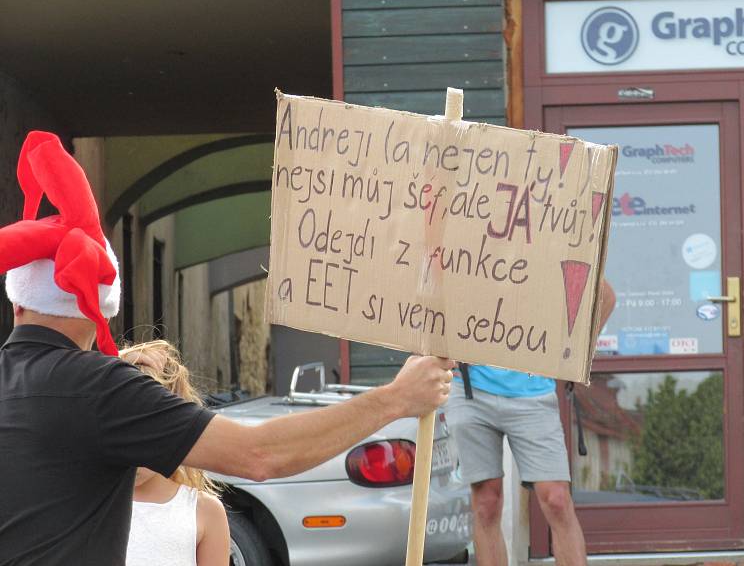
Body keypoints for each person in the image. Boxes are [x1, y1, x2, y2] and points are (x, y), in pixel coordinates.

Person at [0, 131, 455, 565]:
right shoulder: (98, 391)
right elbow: (259, 456)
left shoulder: (62, 389)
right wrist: (397, 398)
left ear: (17, 301)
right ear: (100, 306)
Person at [446, 280, 616, 566]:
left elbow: (605, 296)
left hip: (532, 392)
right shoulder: (471, 240)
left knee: (557, 499)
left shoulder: (549, 239)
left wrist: (574, 353)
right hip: (470, 389)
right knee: (486, 502)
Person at [120, 340, 229, 566]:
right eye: (122, 425)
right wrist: (113, 362)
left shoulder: (203, 511)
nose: (134, 444)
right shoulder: (86, 499)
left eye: (150, 427)